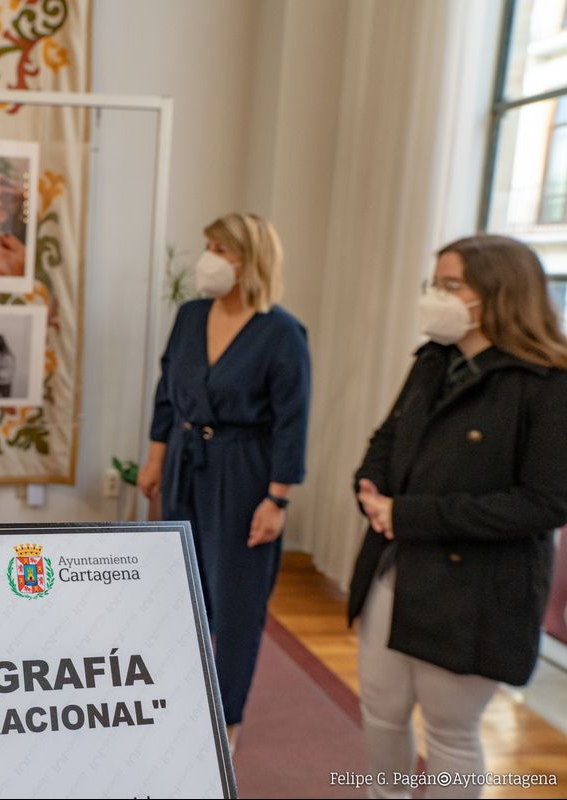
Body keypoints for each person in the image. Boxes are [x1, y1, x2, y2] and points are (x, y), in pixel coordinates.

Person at [349, 235, 567, 799]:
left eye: (451, 286)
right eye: (435, 284)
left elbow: (545, 503)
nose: (436, 297)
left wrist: (411, 515)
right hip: (395, 569)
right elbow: (388, 438)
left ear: (496, 295)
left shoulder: (547, 383)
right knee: (381, 713)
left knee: (449, 735)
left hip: (476, 593)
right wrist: (369, 489)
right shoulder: (433, 360)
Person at [137, 212, 310, 750]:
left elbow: (291, 420)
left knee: (236, 600)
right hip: (188, 459)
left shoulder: (281, 332)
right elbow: (168, 391)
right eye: (207, 245)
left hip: (244, 469)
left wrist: (277, 498)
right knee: (181, 588)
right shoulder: (190, 316)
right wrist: (156, 457)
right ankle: (177, 698)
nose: (209, 257)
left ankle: (225, 723)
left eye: (223, 249)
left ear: (250, 261)